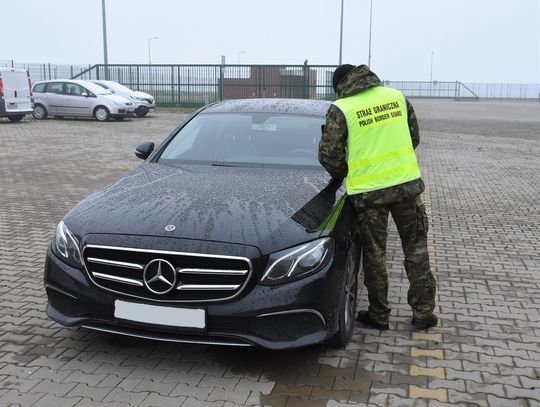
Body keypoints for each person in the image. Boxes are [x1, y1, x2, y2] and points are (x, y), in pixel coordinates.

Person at [318, 64, 437, 330]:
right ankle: (423, 313)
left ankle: (379, 315)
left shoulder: (342, 108)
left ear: (340, 84)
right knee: (416, 250)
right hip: (406, 187)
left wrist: (348, 172)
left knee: (375, 254)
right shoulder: (396, 97)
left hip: (369, 193)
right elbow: (413, 137)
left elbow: (330, 155)